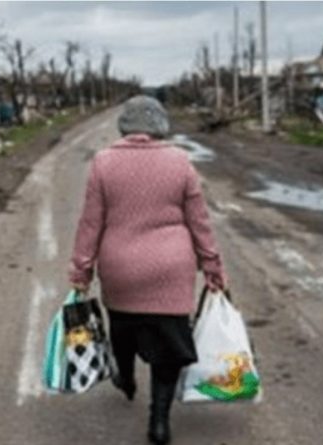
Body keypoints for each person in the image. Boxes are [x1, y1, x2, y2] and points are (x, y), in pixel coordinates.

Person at [68, 95, 227, 445]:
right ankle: (158, 423)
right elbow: (199, 223)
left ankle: (125, 377)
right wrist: (213, 267)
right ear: (160, 126)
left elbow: (90, 224)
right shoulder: (180, 162)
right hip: (171, 270)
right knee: (167, 349)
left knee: (123, 331)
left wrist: (81, 271)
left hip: (120, 269)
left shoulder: (103, 163)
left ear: (125, 125)